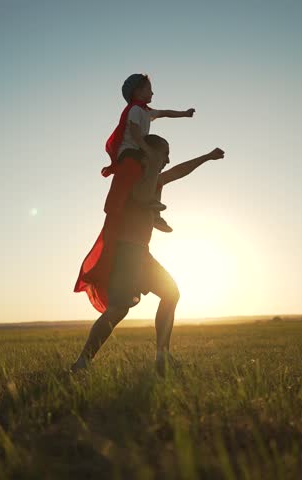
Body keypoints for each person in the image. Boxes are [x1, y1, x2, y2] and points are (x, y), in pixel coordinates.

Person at [74, 133, 225, 374]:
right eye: (164, 153)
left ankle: (162, 357)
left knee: (170, 293)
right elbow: (141, 197)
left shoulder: (154, 180)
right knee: (119, 308)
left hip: (140, 253)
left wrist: (207, 157)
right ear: (149, 152)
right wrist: (153, 203)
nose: (166, 159)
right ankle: (82, 363)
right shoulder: (137, 178)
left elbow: (178, 171)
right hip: (127, 253)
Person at [104, 73, 195, 233]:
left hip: (138, 151)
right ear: (137, 92)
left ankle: (155, 211)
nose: (152, 93)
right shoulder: (135, 110)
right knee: (150, 168)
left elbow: (165, 112)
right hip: (129, 153)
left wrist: (184, 113)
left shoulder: (146, 112)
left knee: (153, 178)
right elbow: (134, 131)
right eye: (149, 89)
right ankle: (146, 203)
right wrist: (147, 149)